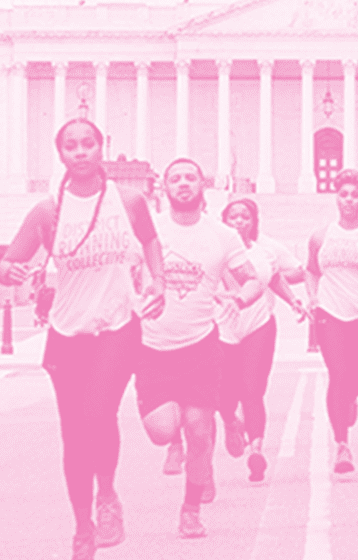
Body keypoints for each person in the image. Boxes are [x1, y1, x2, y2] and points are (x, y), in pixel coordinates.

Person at [0, 118, 166, 560]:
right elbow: (8, 262)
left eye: (87, 143)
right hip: (67, 331)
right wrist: (8, 271)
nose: (80, 152)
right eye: (70, 145)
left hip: (117, 325)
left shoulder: (129, 200)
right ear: (61, 155)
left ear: (100, 148)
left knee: (99, 411)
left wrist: (158, 282)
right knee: (74, 434)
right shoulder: (47, 211)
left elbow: (151, 243)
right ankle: (82, 526)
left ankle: (107, 494)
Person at [136, 158, 261, 538]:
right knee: (161, 430)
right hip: (152, 346)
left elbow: (251, 279)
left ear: (202, 185)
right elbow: (121, 274)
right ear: (164, 187)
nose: (183, 184)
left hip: (200, 346)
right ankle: (180, 446)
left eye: (190, 177)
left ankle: (190, 510)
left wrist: (239, 299)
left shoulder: (222, 235)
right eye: (175, 178)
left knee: (200, 430)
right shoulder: (148, 230)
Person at [218, 196, 306, 483]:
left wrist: (294, 302)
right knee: (226, 394)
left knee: (252, 390)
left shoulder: (264, 251)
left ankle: (256, 450)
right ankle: (231, 422)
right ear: (225, 221)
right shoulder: (217, 250)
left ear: (254, 222)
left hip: (259, 326)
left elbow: (276, 278)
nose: (240, 221)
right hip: (223, 329)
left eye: (245, 217)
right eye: (234, 217)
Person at [307, 169, 358, 474]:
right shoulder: (321, 235)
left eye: (354, 195)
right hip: (330, 312)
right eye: (343, 194)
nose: (349, 200)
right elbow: (312, 270)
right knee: (338, 375)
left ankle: (352, 396)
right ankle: (342, 445)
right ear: (336, 197)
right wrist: (313, 298)